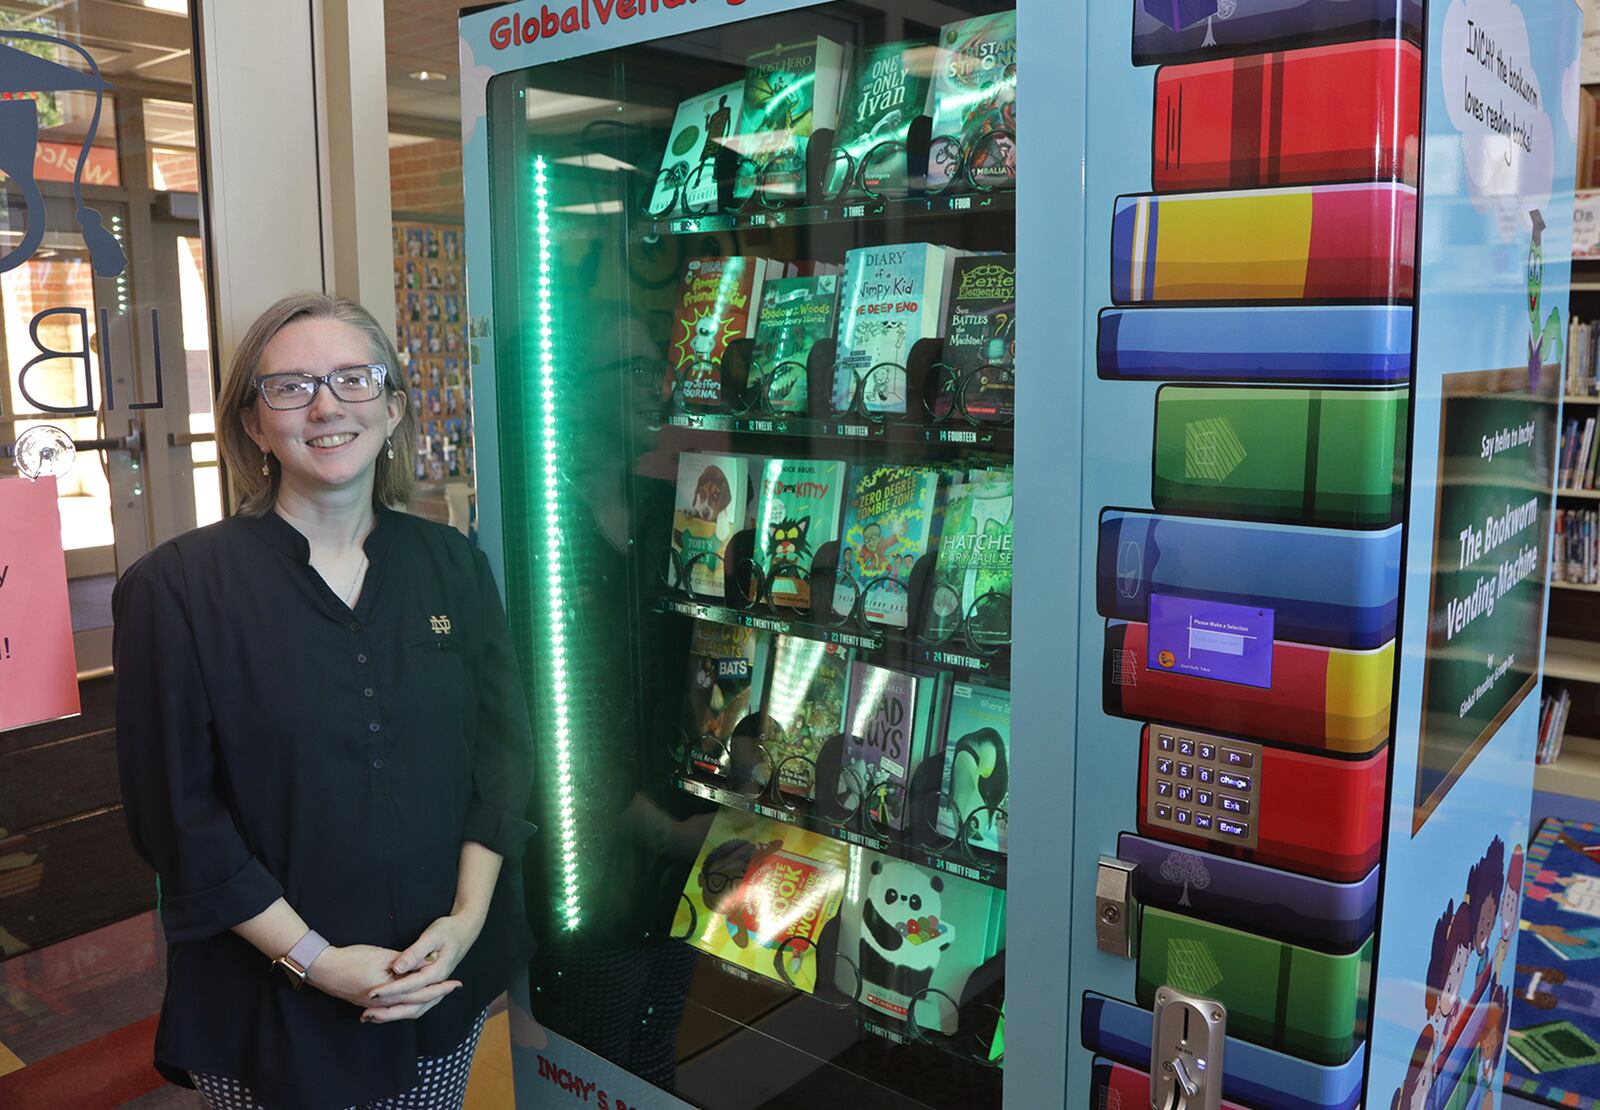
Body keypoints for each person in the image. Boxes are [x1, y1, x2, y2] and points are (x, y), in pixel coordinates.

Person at [113, 292, 536, 1109]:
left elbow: (503, 752)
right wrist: (312, 959)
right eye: (291, 386)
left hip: (434, 984)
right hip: (269, 1004)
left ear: (394, 407)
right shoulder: (177, 589)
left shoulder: (453, 564)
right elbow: (178, 821)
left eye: (354, 379)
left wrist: (466, 919)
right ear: (251, 423)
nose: (326, 404)